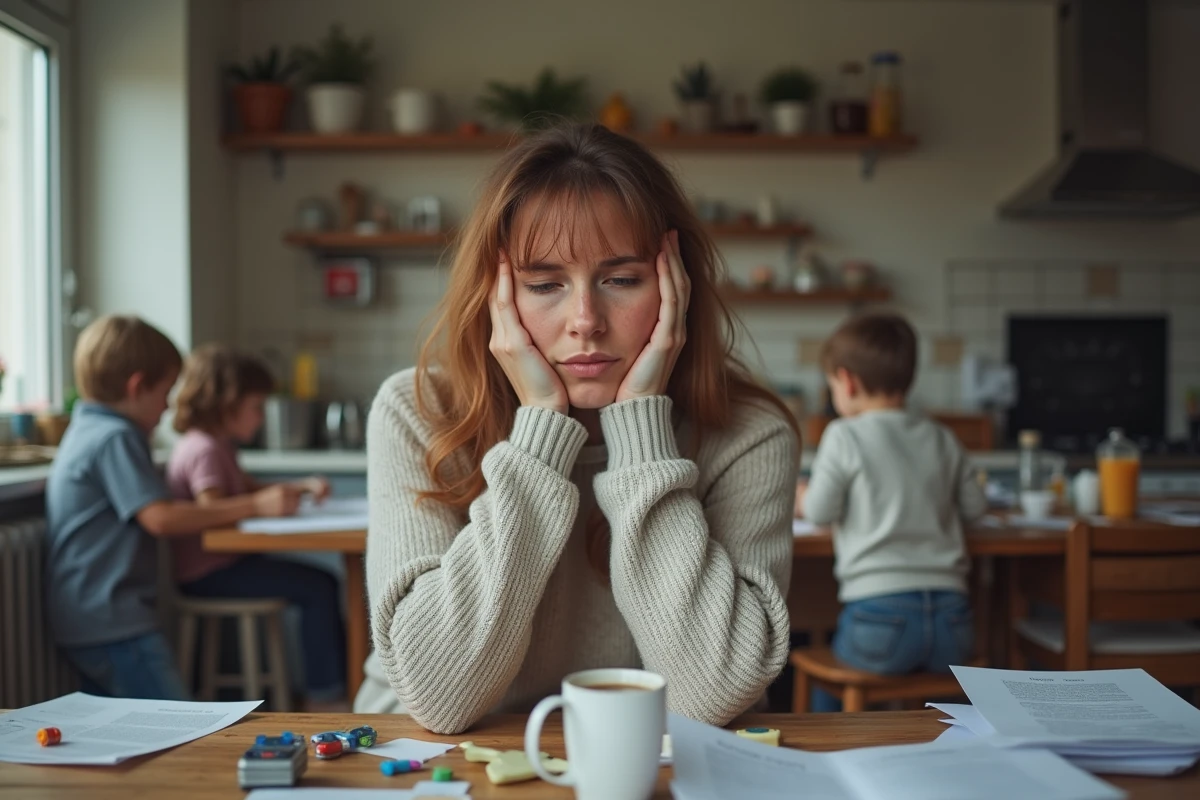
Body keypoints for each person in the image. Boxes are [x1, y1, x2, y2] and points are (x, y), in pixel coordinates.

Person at [355, 123, 800, 733]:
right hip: (425, 758)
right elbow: (440, 698)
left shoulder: (751, 433)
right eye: (544, 285)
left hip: (646, 757)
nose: (585, 320)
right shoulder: (416, 410)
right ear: (495, 295)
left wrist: (640, 426)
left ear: (677, 287)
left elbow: (713, 693)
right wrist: (541, 425)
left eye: (622, 279)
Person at [45, 316, 302, 700]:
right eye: (165, 392)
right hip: (112, 619)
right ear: (136, 387)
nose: (168, 406)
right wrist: (254, 505)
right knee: (178, 723)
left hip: (88, 615)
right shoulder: (115, 437)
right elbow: (161, 518)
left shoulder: (86, 429)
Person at [796, 313, 988, 711]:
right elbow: (975, 508)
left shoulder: (843, 435)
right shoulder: (941, 436)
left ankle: (826, 745)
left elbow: (819, 512)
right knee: (944, 700)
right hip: (954, 623)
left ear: (846, 381)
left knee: (825, 684)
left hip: (879, 618)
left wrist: (801, 496)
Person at [167, 344, 348, 709]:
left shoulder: (218, 446)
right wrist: (260, 506)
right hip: (211, 574)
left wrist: (300, 487)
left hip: (223, 567)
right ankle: (326, 696)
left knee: (320, 583)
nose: (261, 418)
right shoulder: (204, 450)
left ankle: (331, 688)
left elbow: (248, 489)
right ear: (226, 404)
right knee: (319, 585)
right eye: (256, 407)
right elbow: (213, 511)